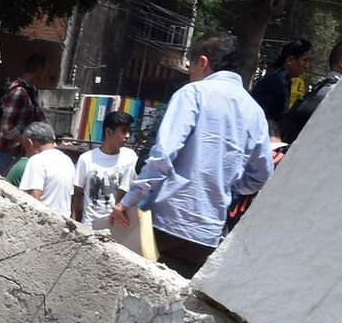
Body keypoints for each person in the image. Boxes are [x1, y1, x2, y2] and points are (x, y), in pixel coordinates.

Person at [112, 34, 275, 277]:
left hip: (163, 222)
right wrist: (229, 186)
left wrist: (127, 201)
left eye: (190, 66)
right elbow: (262, 175)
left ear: (202, 62)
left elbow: (163, 156)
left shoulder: (193, 93)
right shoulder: (255, 112)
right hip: (207, 235)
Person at [73, 110, 138, 225]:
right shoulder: (86, 159)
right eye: (123, 131)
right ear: (108, 132)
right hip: (90, 224)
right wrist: (73, 220)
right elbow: (77, 193)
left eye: (129, 132)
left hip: (117, 225)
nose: (127, 136)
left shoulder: (130, 157)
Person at [0, 54, 48, 176]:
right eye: (44, 70)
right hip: (7, 153)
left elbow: (39, 118)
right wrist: (24, 142)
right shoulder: (19, 92)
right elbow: (7, 127)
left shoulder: (32, 91)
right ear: (39, 70)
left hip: (19, 154)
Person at [14, 122, 76, 217]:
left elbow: (33, 199)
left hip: (44, 223)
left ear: (30, 143)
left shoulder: (36, 161)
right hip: (64, 223)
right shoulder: (67, 160)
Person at [250, 39, 313, 126]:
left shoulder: (284, 82)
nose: (307, 66)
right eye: (305, 60)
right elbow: (261, 116)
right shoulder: (273, 82)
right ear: (290, 60)